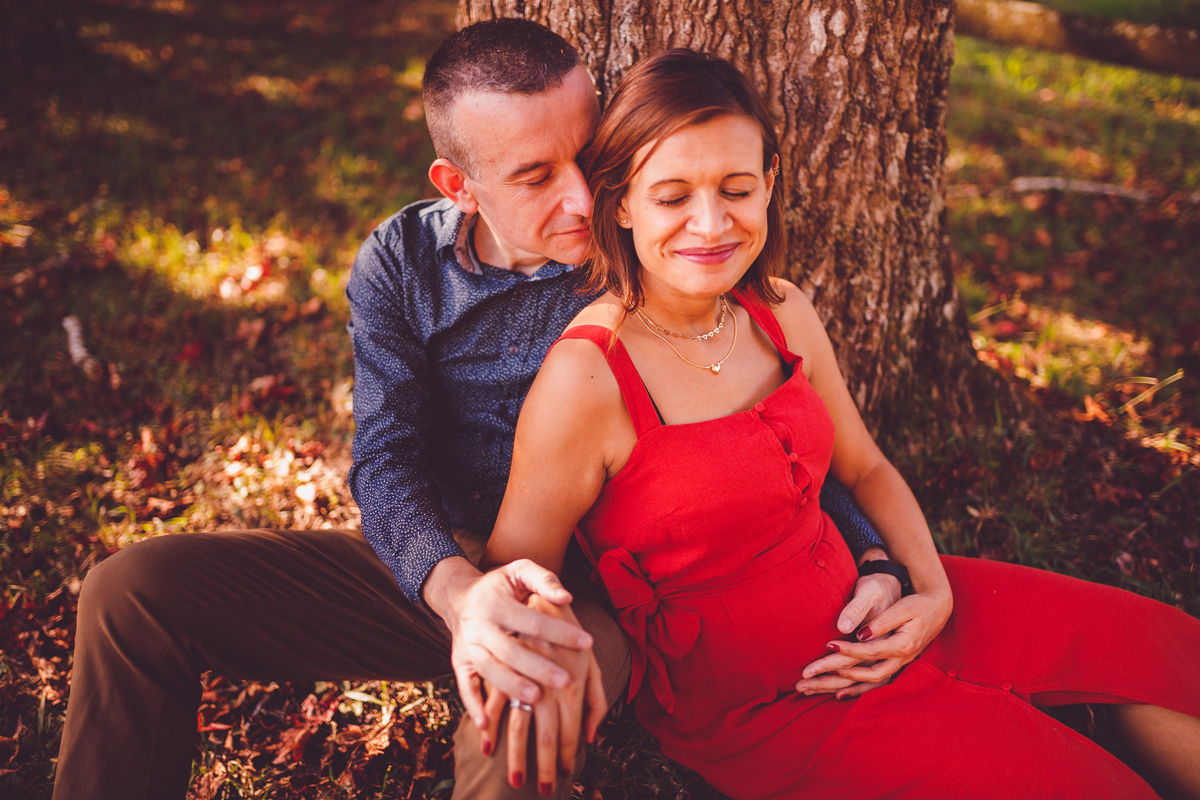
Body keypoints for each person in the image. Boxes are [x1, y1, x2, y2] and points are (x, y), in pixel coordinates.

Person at [50, 20, 917, 800]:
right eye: (536, 176)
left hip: (593, 592)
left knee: (518, 722)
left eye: (592, 158)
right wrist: (460, 595)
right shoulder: (400, 263)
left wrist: (872, 549)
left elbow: (764, 419)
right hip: (451, 564)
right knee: (131, 592)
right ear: (458, 185)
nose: (582, 198)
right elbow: (385, 459)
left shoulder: (645, 248)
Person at [482, 48, 1200, 799]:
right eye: (671, 197)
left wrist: (928, 593)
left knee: (1163, 649)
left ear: (770, 183)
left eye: (736, 189)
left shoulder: (781, 311)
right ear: (621, 203)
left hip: (878, 604)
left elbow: (865, 467)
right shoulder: (588, 376)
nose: (711, 223)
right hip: (777, 703)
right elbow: (516, 571)